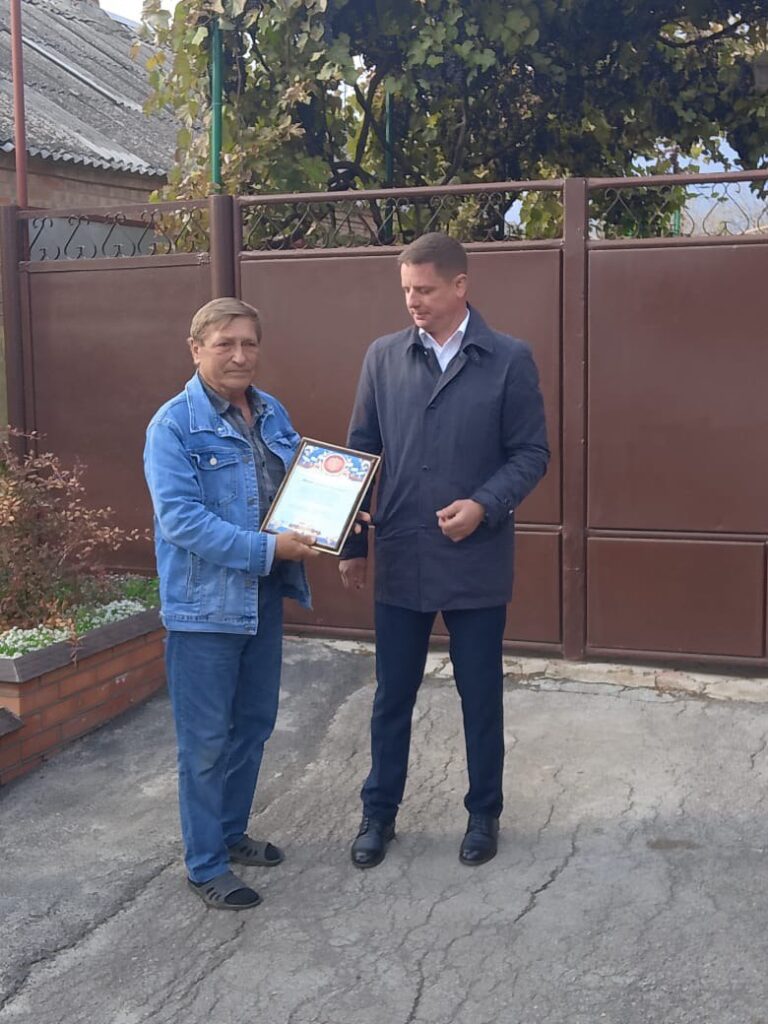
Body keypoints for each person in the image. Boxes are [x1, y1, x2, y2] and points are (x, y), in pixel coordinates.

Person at [339, 232, 550, 869]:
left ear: (461, 286)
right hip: (402, 553)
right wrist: (352, 542)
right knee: (391, 697)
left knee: (480, 695)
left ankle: (484, 813)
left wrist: (484, 504)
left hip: (475, 558)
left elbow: (531, 453)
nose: (413, 301)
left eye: (425, 289)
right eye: (407, 289)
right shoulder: (383, 357)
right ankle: (379, 814)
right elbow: (360, 451)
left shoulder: (508, 359)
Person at [144, 297, 318, 910]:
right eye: (225, 344)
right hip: (204, 609)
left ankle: (230, 831)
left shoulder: (271, 412)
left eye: (248, 343)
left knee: (253, 726)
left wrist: (335, 518)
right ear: (196, 349)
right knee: (205, 743)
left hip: (262, 599)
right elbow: (182, 520)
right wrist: (270, 549)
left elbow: (296, 487)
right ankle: (205, 864)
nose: (240, 355)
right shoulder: (173, 426)